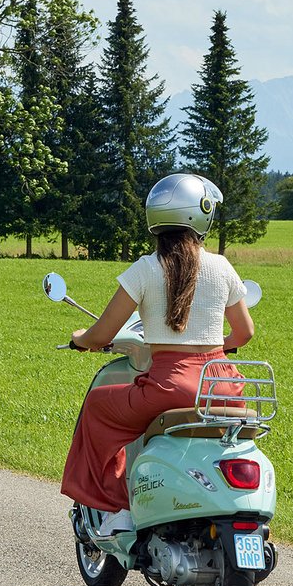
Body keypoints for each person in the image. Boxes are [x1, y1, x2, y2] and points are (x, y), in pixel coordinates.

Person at [60, 173, 255, 538]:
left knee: (99, 407)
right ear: (202, 215)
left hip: (170, 384)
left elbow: (103, 332)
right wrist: (215, 345)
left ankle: (117, 508)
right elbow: (245, 332)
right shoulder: (222, 266)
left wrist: (81, 339)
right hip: (224, 384)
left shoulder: (146, 269)